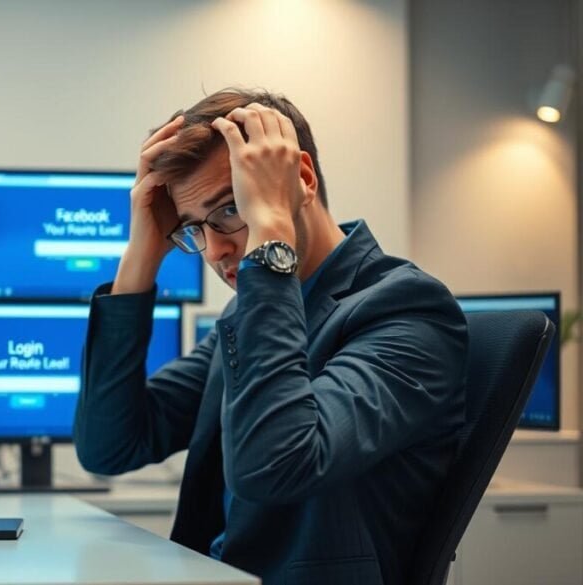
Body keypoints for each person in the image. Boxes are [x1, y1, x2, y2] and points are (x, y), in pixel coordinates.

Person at [73, 88, 467, 585]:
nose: (215, 250)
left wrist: (272, 233)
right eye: (194, 229)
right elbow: (109, 446)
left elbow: (275, 466)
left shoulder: (408, 311)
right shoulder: (253, 312)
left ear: (301, 179)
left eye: (232, 210)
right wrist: (141, 257)